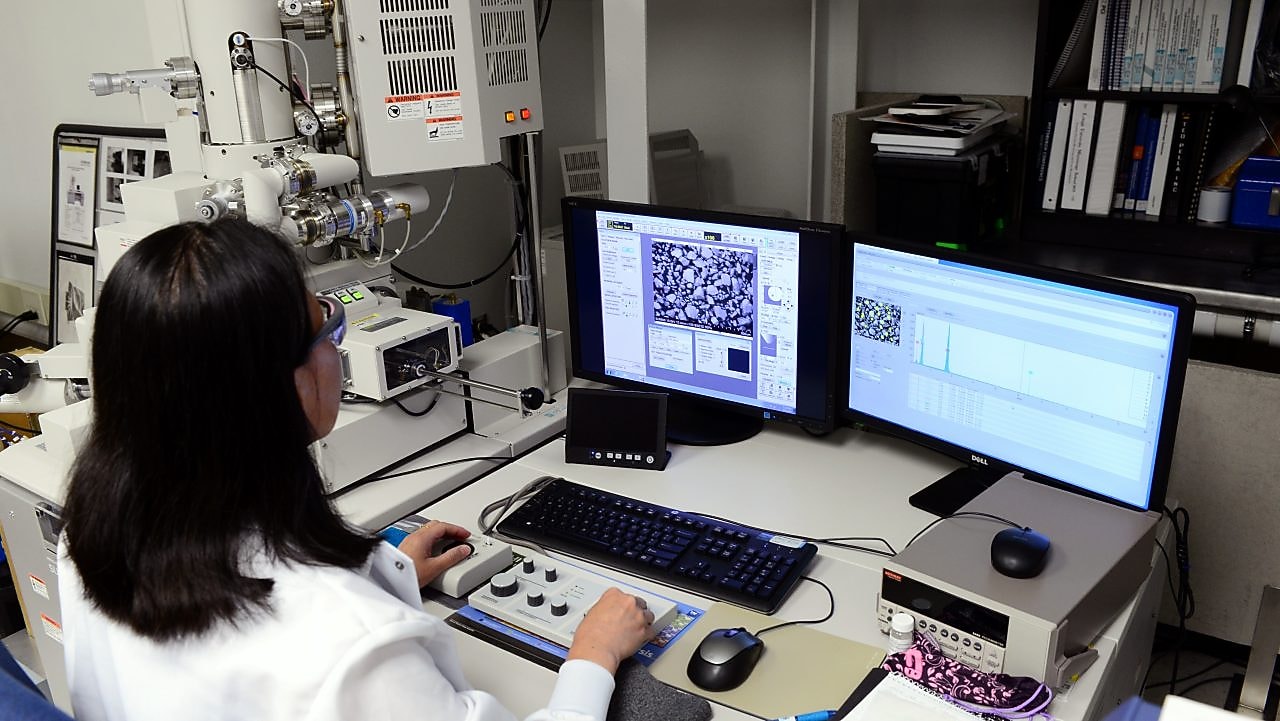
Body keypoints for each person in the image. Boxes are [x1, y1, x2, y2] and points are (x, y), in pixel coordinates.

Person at [58, 218, 656, 721]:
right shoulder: (350, 646)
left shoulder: (92, 539)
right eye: (326, 328)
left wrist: (388, 577)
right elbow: (333, 647)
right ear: (281, 386)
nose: (336, 349)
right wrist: (593, 656)